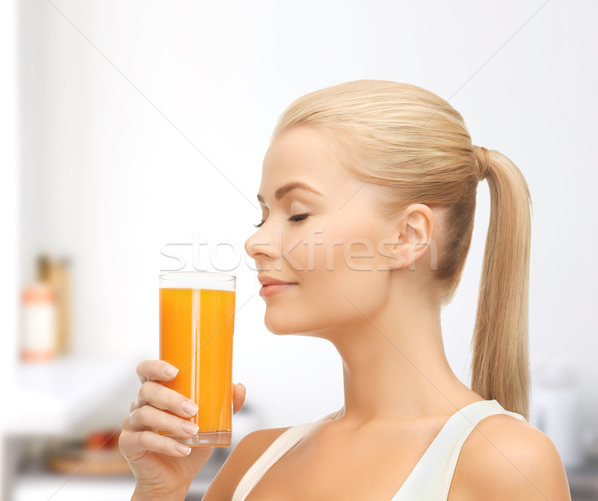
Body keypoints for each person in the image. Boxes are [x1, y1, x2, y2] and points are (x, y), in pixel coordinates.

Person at [120, 80, 571, 500]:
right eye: (263, 216)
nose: (255, 243)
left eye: (297, 214)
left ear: (409, 236)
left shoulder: (505, 462)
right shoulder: (251, 463)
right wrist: (160, 490)